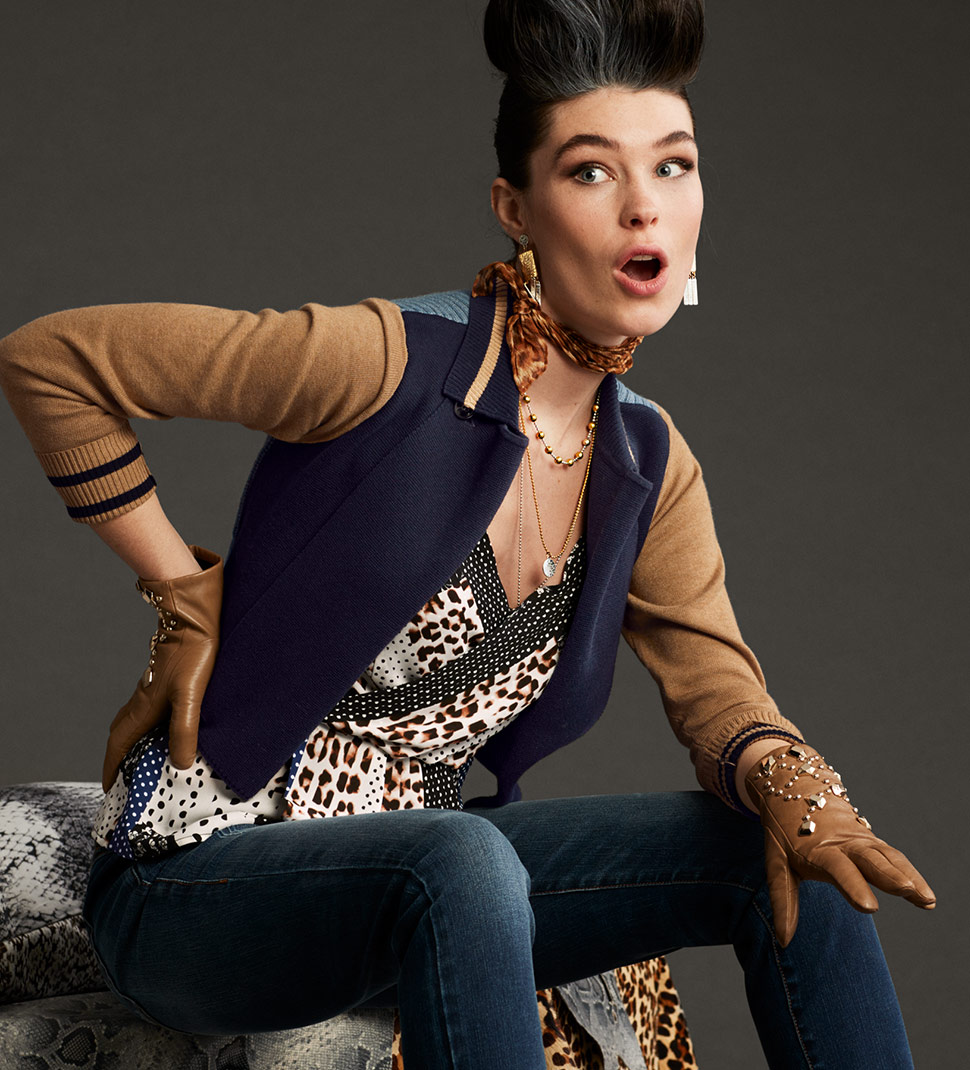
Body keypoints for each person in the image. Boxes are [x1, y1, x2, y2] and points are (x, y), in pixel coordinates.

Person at [0, 1, 936, 1067]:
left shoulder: (646, 459)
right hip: (202, 882)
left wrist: (797, 789)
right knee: (461, 857)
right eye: (592, 171)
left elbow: (717, 687)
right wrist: (179, 590)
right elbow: (51, 362)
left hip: (423, 880)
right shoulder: (384, 362)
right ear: (515, 208)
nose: (644, 206)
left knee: (789, 851)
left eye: (673, 166)